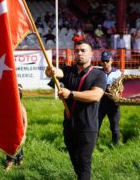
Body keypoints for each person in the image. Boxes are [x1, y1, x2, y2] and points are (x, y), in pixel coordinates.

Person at [45, 40, 106, 180]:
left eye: (83, 50)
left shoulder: (98, 74)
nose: (80, 53)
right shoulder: (68, 71)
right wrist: (49, 70)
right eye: (77, 51)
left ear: (91, 53)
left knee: (84, 163)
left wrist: (71, 94)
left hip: (87, 126)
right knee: (76, 162)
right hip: (69, 125)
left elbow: (96, 95)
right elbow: (55, 72)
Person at [98, 51, 122, 145]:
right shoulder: (97, 73)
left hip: (113, 103)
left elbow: (122, 88)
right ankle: (93, 146)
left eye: (107, 60)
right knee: (96, 126)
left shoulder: (118, 73)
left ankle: (116, 147)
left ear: (111, 61)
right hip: (100, 103)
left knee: (115, 127)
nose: (105, 63)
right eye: (103, 61)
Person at [5, 85, 27, 171]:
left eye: (18, 93)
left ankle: (10, 163)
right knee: (11, 147)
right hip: (10, 132)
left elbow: (25, 122)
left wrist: (24, 134)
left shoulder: (21, 107)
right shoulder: (9, 106)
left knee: (15, 146)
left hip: (19, 132)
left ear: (20, 95)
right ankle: (18, 160)